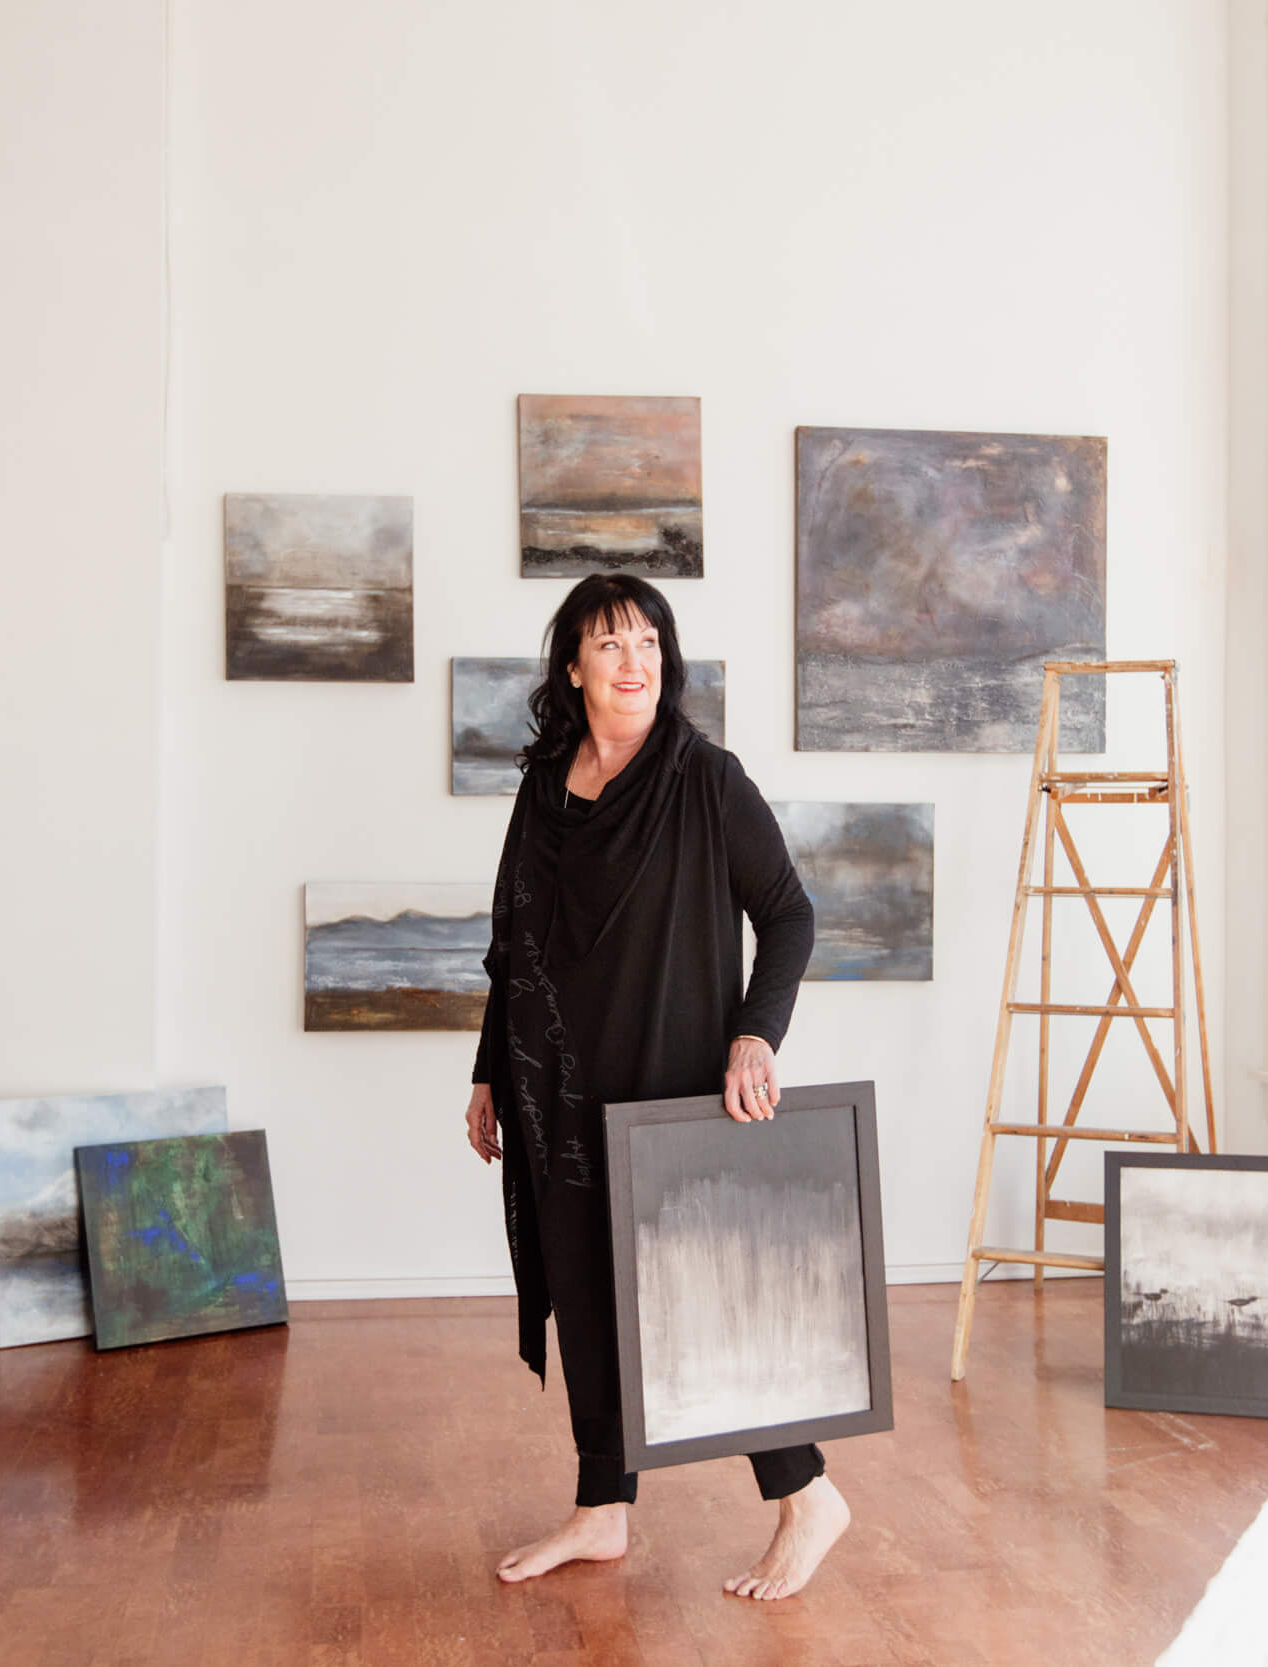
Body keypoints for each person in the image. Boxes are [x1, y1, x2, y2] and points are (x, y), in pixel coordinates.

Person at [463, 574, 852, 1600]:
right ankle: (602, 1506)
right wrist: (488, 1072)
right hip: (558, 1089)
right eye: (609, 644)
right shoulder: (545, 786)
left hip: (674, 1079)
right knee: (587, 1295)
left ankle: (806, 1493)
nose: (633, 661)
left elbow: (789, 913)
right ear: (572, 668)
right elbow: (515, 946)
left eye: (648, 642)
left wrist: (753, 1036)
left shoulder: (703, 777)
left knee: (706, 1300)